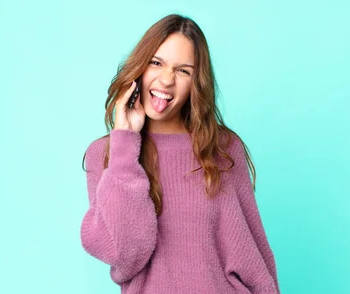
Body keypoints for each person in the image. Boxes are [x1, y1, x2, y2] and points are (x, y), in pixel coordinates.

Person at [80, 14, 280, 294]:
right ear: (140, 67)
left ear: (195, 83)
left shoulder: (221, 148)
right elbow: (125, 255)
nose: (167, 79)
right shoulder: (105, 154)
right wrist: (125, 143)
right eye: (156, 63)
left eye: (183, 71)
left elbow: (253, 255)